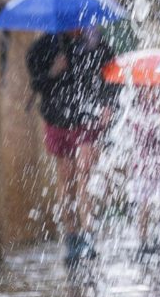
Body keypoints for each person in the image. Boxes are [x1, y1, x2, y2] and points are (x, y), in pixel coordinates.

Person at [25, 27, 117, 269]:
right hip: (57, 120)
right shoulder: (42, 48)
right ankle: (72, 236)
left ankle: (88, 234)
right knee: (66, 181)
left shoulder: (97, 44)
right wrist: (53, 72)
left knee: (84, 176)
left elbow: (111, 77)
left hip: (88, 119)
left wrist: (108, 105)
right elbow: (36, 84)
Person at [126, 86, 160, 262]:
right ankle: (143, 244)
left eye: (154, 90)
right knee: (144, 205)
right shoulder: (136, 111)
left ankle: (157, 238)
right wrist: (154, 124)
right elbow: (137, 133)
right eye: (148, 90)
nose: (152, 94)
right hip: (144, 166)